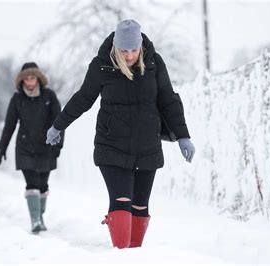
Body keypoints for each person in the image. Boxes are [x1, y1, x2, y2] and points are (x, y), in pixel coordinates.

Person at [46, 20, 195, 248]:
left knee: (140, 206)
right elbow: (83, 98)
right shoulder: (102, 65)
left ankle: (134, 255)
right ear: (116, 46)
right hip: (111, 145)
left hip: (147, 145)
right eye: (124, 51)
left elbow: (168, 100)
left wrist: (183, 135)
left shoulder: (155, 62)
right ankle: (121, 255)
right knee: (122, 201)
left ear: (140, 46)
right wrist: (58, 125)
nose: (129, 56)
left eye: (133, 50)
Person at [0, 62, 63, 234]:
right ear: (22, 80)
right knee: (32, 183)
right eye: (26, 78)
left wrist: (58, 146)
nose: (29, 81)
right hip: (25, 147)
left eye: (32, 78)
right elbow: (9, 124)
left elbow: (59, 123)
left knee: (42, 185)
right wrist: (2, 146)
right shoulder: (17, 99)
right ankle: (35, 220)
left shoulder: (49, 96)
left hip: (46, 147)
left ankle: (40, 217)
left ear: (38, 78)